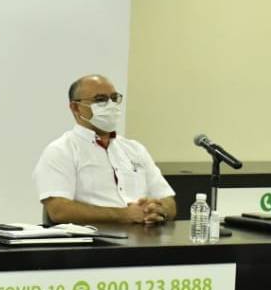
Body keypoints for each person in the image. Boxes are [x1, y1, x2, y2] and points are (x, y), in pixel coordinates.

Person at [33, 74, 176, 225]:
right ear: (76, 107)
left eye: (114, 98)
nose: (111, 105)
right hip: (94, 238)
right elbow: (59, 211)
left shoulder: (135, 149)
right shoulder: (61, 151)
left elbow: (168, 200)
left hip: (144, 236)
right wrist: (124, 215)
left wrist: (158, 210)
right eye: (100, 100)